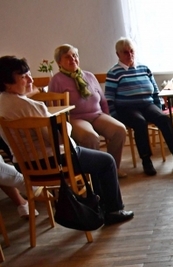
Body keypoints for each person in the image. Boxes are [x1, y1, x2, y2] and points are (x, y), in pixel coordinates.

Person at [0, 56, 133, 225]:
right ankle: (113, 210)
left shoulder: (2, 104)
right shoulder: (31, 106)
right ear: (7, 82)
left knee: (93, 158)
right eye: (24, 77)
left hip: (25, 167)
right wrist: (67, 126)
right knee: (106, 161)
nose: (31, 80)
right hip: (54, 162)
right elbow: (59, 140)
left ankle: (99, 205)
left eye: (29, 75)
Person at [105, 38, 173, 176]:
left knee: (164, 119)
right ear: (118, 54)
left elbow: (155, 91)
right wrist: (115, 116)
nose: (129, 54)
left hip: (147, 104)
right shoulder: (114, 73)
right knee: (140, 122)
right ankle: (146, 160)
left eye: (131, 51)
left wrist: (158, 108)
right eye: (125, 52)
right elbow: (109, 98)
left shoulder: (144, 68)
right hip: (127, 108)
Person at [48, 44, 127, 178]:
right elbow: (54, 107)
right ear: (59, 62)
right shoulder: (57, 80)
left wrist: (107, 116)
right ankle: (95, 174)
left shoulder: (89, 76)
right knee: (90, 137)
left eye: (75, 55)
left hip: (97, 114)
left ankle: (113, 169)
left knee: (119, 130)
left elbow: (102, 100)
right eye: (67, 57)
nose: (73, 59)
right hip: (75, 118)